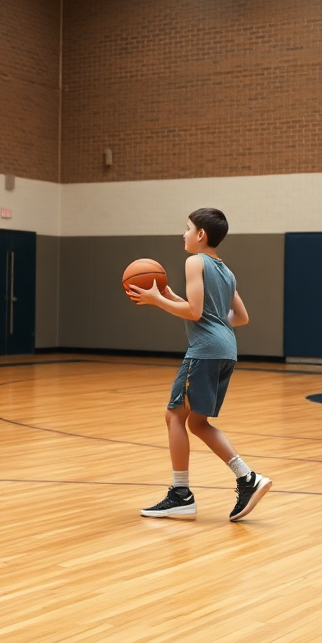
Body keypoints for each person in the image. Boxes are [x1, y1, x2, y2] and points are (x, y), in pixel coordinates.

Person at [128, 207, 272, 522]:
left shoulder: (194, 261)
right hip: (226, 350)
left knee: (173, 416)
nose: (184, 234)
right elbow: (239, 317)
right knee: (196, 423)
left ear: (201, 235)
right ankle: (246, 478)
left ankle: (181, 495)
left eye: (188, 228)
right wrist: (170, 295)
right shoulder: (226, 270)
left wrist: (157, 300)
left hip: (205, 351)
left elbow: (194, 313)